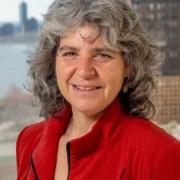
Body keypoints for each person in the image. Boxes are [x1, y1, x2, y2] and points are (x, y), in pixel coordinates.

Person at [16, 0, 180, 179]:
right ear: (53, 62)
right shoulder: (29, 140)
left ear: (128, 66)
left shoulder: (161, 155)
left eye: (102, 55)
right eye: (70, 53)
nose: (85, 71)